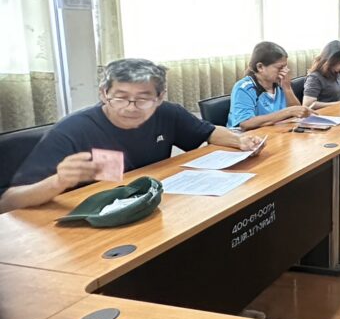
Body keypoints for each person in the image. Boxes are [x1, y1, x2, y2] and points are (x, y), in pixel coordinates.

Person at [0, 58, 264, 213]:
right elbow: (9, 202)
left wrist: (239, 140)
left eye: (143, 99)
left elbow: (208, 132)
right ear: (103, 93)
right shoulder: (72, 130)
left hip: (148, 209)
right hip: (88, 224)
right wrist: (58, 181)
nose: (131, 107)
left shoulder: (167, 113)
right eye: (120, 97)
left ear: (160, 97)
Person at [228, 41, 313, 130]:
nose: (286, 71)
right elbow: (246, 123)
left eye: (285, 67)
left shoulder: (280, 83)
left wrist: (287, 89)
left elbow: (297, 114)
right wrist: (288, 111)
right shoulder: (244, 88)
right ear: (260, 67)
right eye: (280, 68)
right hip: (247, 135)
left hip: (274, 132)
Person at [302, 40, 340, 109]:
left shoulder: (336, 71)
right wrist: (339, 104)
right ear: (331, 61)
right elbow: (308, 105)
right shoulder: (314, 78)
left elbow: (335, 92)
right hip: (327, 113)